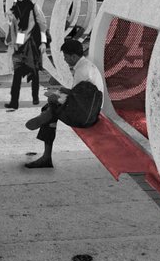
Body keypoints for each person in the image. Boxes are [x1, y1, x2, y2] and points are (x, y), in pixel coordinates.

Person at [23, 38, 104, 168]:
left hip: (85, 116)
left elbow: (76, 101)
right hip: (92, 110)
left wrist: (56, 98)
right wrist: (63, 91)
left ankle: (46, 156)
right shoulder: (87, 66)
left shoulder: (81, 71)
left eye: (66, 57)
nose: (65, 60)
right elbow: (79, 94)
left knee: (51, 107)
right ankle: (47, 115)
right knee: (52, 105)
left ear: (73, 56)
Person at [4, 0, 48, 109]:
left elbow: (42, 25)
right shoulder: (13, 10)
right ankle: (14, 101)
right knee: (17, 74)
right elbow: (12, 29)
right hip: (19, 44)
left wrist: (43, 42)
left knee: (34, 71)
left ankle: (35, 97)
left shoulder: (34, 8)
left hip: (31, 43)